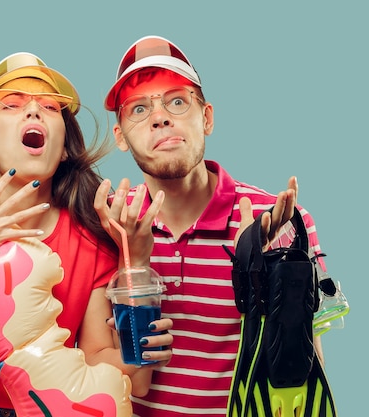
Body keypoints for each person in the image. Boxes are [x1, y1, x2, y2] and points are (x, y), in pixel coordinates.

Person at [0, 51, 172, 417]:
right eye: (11, 104)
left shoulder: (89, 241)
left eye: (50, 107)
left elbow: (112, 368)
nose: (33, 111)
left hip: (46, 407)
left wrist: (142, 341)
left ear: (63, 149)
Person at [94, 35, 327, 416]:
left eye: (177, 101)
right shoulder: (111, 223)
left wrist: (267, 274)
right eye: (138, 109)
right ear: (120, 136)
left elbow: (306, 369)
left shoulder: (281, 219)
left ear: (207, 118)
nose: (160, 116)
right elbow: (93, 366)